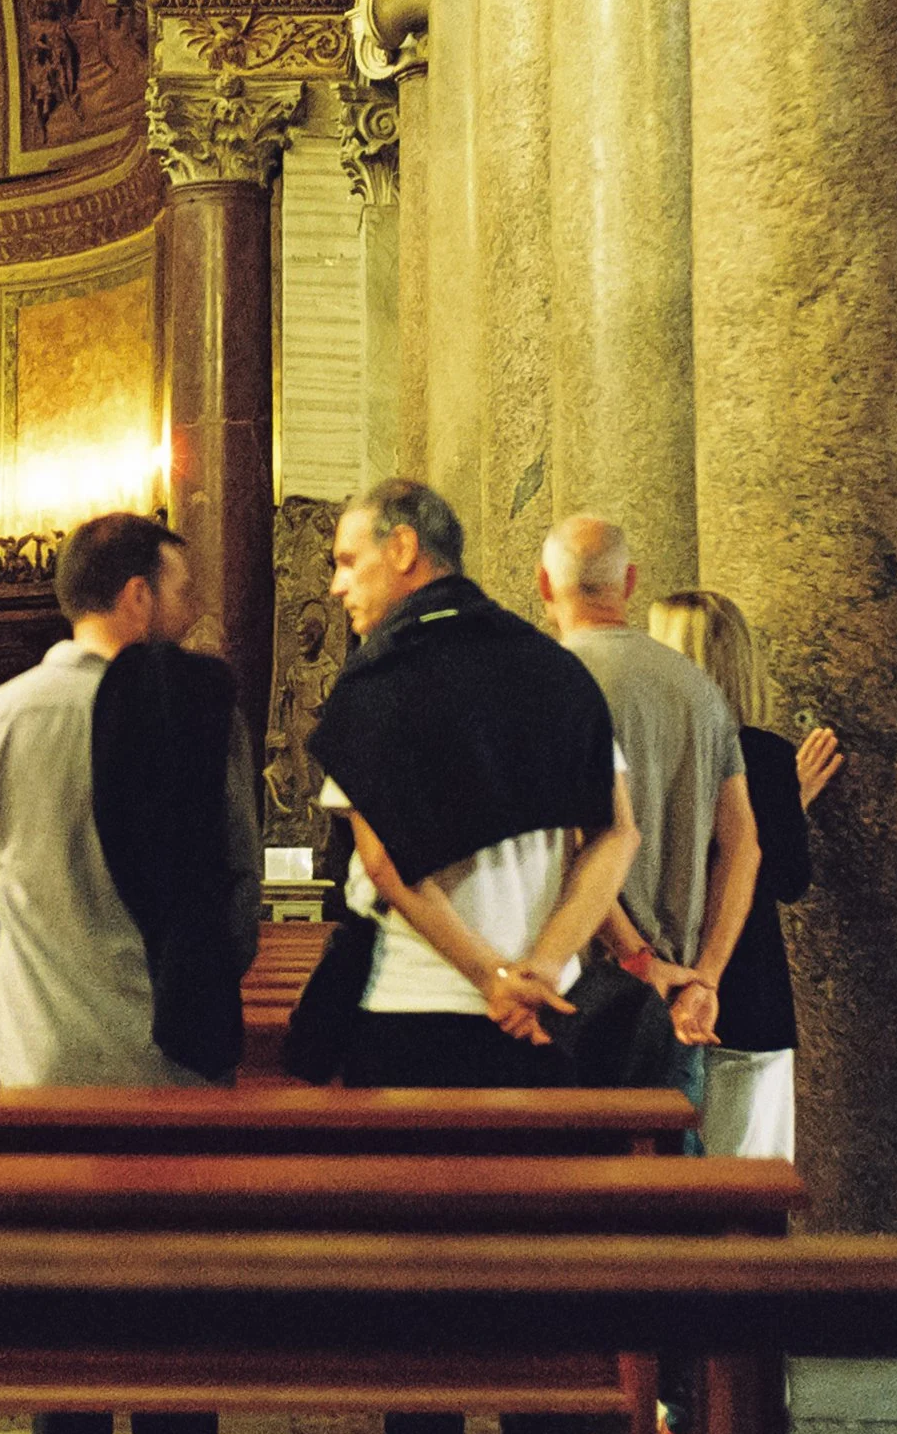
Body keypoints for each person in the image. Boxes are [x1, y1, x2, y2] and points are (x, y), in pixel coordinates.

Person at [308, 479, 640, 1092]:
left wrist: (491, 979)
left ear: (404, 548)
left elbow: (383, 863)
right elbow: (617, 833)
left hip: (411, 1013)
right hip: (545, 1017)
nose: (337, 585)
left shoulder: (375, 681)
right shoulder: (554, 668)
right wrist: (541, 965)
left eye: (349, 561)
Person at [0, 510, 261, 1089]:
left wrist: (30, 977)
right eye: (182, 591)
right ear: (138, 596)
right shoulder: (201, 715)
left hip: (39, 1056)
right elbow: (239, 881)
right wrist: (203, 979)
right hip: (175, 1060)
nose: (191, 611)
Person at [537, 516, 762, 1111]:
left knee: (572, 1189)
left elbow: (569, 843)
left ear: (543, 584)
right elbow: (744, 844)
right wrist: (705, 975)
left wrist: (638, 958)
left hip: (578, 987)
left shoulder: (550, 683)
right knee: (666, 1181)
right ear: (630, 581)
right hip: (679, 1002)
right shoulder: (698, 688)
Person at [649, 588, 845, 1160]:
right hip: (753, 996)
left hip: (668, 985)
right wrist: (789, 803)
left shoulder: (655, 751)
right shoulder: (764, 757)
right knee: (751, 1188)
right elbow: (787, 878)